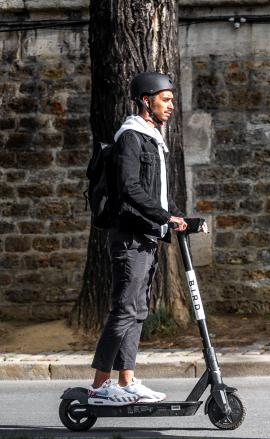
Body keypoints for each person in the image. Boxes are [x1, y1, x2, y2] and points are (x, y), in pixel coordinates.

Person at [88, 72, 188, 406]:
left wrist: (180, 217)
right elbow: (130, 188)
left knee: (138, 310)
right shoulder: (131, 137)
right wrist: (164, 217)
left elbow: (157, 195)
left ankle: (126, 381)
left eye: (172, 99)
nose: (171, 105)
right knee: (124, 310)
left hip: (146, 235)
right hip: (129, 237)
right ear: (146, 100)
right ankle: (100, 386)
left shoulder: (153, 138)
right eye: (165, 98)